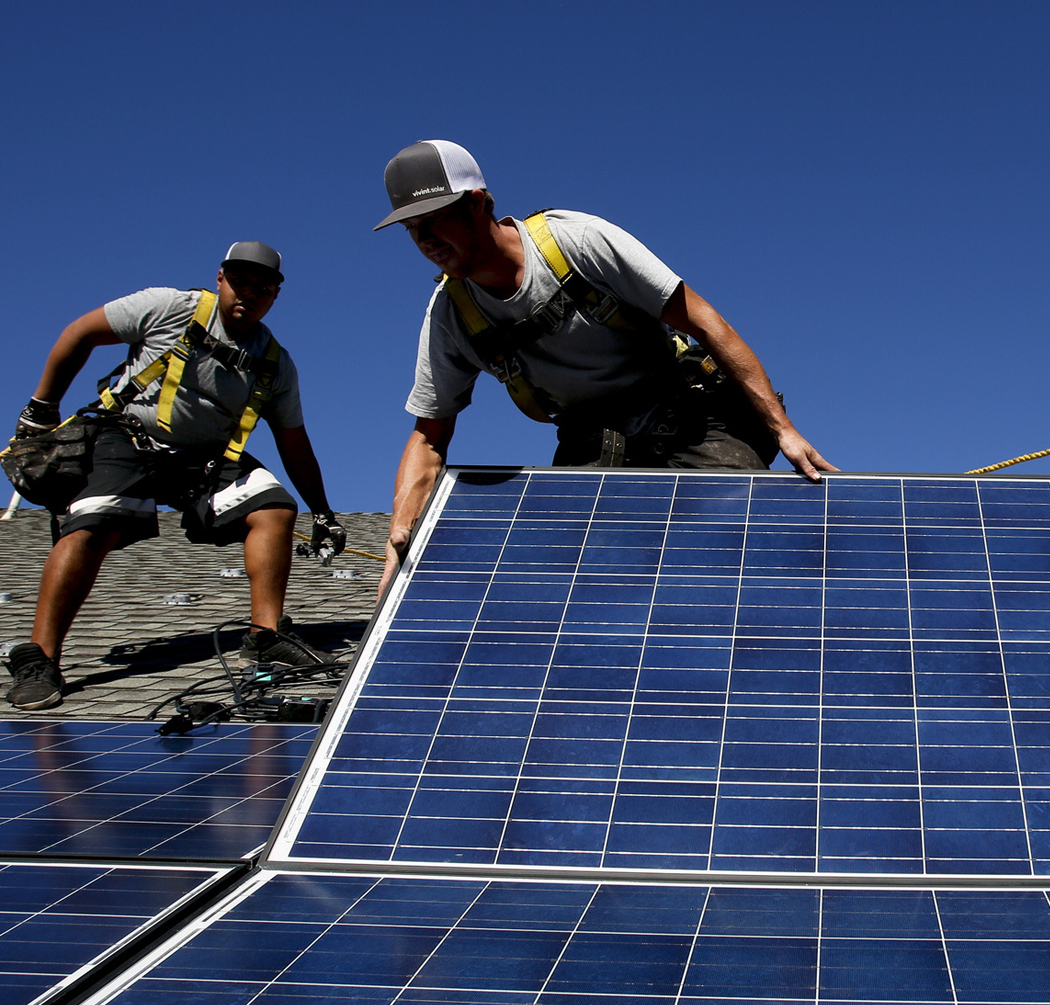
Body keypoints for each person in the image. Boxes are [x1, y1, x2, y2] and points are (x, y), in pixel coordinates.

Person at [374, 140, 837, 591]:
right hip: (590, 434)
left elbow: (706, 323)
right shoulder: (451, 315)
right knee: (588, 579)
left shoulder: (574, 242)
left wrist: (782, 429)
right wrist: (401, 532)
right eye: (412, 229)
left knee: (740, 532)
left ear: (477, 203)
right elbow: (428, 436)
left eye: (434, 221)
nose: (426, 241)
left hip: (682, 409)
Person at [3, 241, 346, 710]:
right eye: (240, 281)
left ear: (275, 296)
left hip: (202, 460)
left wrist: (323, 512)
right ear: (221, 278)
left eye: (262, 287)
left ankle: (265, 637)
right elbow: (79, 332)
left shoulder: (274, 362)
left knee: (275, 507)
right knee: (93, 523)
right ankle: (40, 658)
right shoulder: (169, 308)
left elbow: (294, 442)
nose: (249, 293)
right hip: (127, 438)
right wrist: (41, 407)